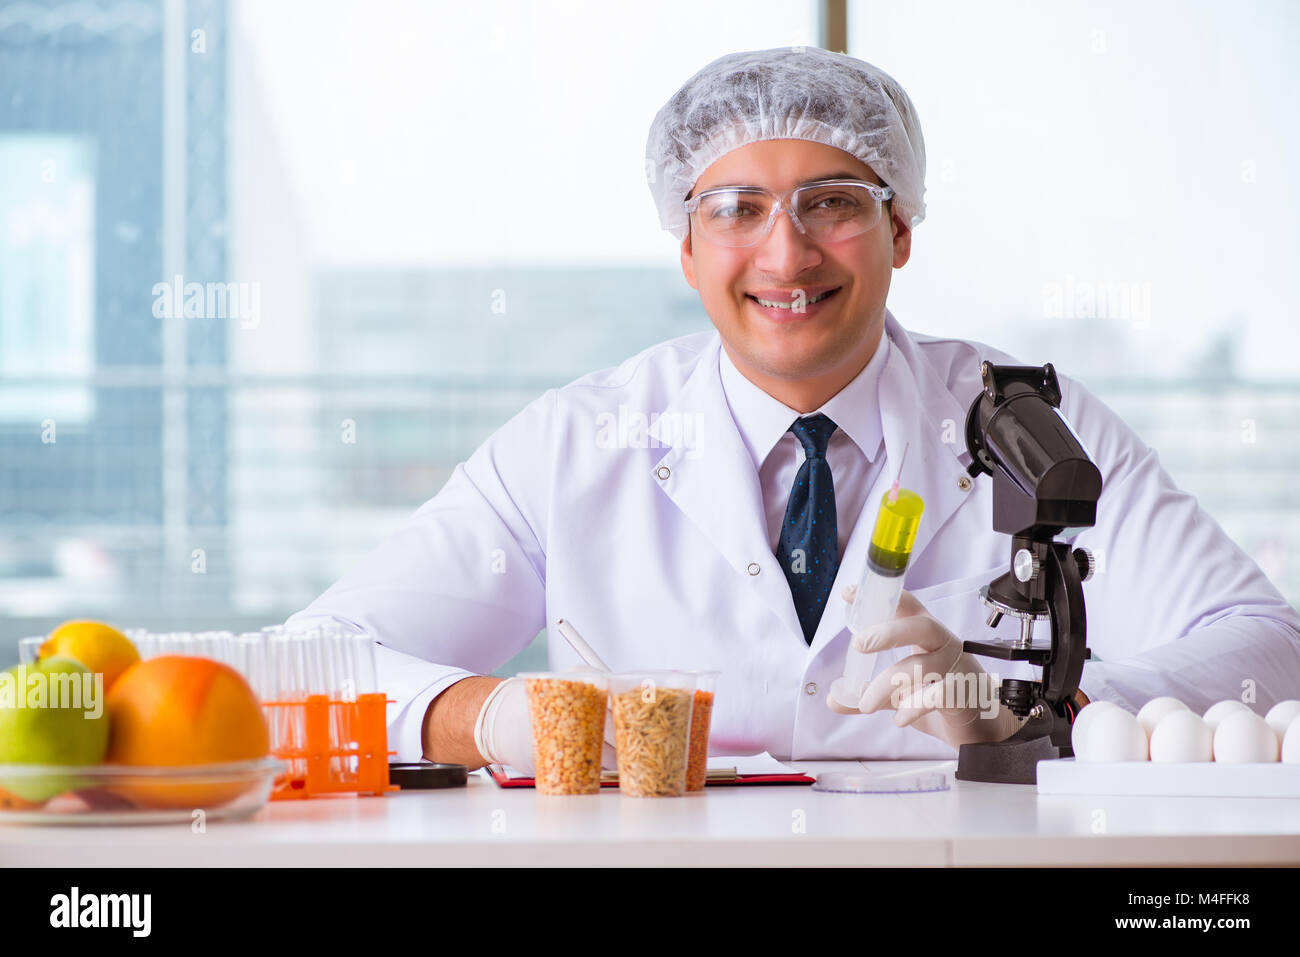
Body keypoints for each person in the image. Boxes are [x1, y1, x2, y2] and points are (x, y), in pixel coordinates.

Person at [285, 47, 1300, 771]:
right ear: (685, 248)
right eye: (734, 209)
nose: (785, 254)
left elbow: (1264, 644)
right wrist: (506, 718)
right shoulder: (578, 443)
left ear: (899, 229)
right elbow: (316, 662)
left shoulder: (1025, 422)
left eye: (834, 201)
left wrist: (1034, 707)